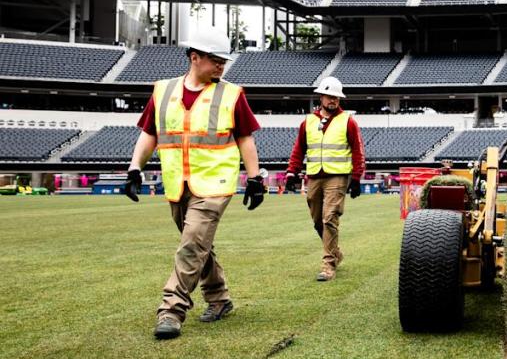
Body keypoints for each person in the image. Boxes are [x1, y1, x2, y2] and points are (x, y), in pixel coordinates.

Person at [123, 32, 265, 340]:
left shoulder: (231, 94)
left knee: (191, 245)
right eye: (215, 61)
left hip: (215, 183)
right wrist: (135, 167)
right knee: (199, 246)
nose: (221, 67)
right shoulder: (163, 91)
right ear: (194, 57)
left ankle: (171, 309)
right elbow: (150, 133)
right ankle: (219, 298)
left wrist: (255, 178)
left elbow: (244, 137)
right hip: (178, 184)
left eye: (223, 62)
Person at [285, 76, 366, 282]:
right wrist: (291, 172)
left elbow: (358, 151)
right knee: (317, 221)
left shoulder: (348, 121)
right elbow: (298, 149)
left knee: (329, 218)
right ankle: (336, 252)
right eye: (330, 96)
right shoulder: (308, 122)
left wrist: (356, 177)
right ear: (321, 97)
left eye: (337, 97)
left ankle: (328, 265)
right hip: (314, 176)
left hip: (337, 177)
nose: (333, 100)